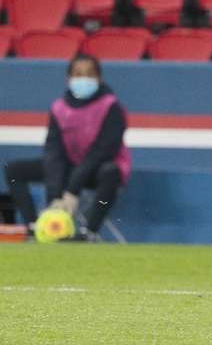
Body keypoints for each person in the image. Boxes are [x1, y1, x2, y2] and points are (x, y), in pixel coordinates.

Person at [2, 54, 130, 242]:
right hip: (69, 166)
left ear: (99, 78)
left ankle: (89, 231)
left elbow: (102, 151)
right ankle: (34, 227)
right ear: (68, 79)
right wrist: (55, 196)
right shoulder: (59, 108)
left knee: (111, 172)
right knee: (14, 170)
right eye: (78, 74)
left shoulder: (111, 107)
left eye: (89, 74)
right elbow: (53, 151)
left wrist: (72, 190)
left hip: (98, 169)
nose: (84, 79)